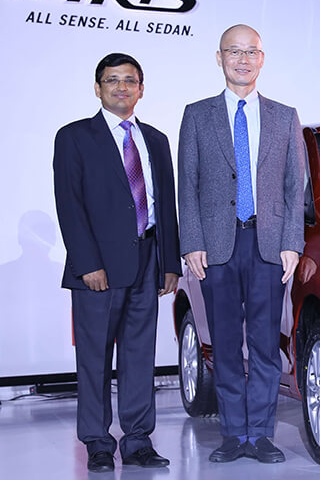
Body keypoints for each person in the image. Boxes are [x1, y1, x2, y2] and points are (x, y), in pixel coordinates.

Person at [178, 24, 305, 464]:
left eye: (251, 51)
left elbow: (295, 185)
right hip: (216, 248)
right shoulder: (197, 114)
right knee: (227, 344)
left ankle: (261, 434)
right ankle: (234, 434)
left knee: (267, 345)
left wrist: (292, 241)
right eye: (234, 51)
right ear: (220, 58)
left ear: (262, 58)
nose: (243, 59)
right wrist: (192, 240)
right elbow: (187, 184)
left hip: (269, 245)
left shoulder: (284, 115)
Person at [53, 53, 181, 472]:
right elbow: (69, 204)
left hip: (148, 259)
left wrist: (170, 262)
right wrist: (88, 262)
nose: (121, 87)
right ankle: (97, 441)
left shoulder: (157, 140)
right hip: (98, 268)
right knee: (93, 358)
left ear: (141, 89)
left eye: (130, 80)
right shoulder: (74, 137)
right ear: (98, 88)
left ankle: (138, 440)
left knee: (140, 355)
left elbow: (166, 204)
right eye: (112, 80)